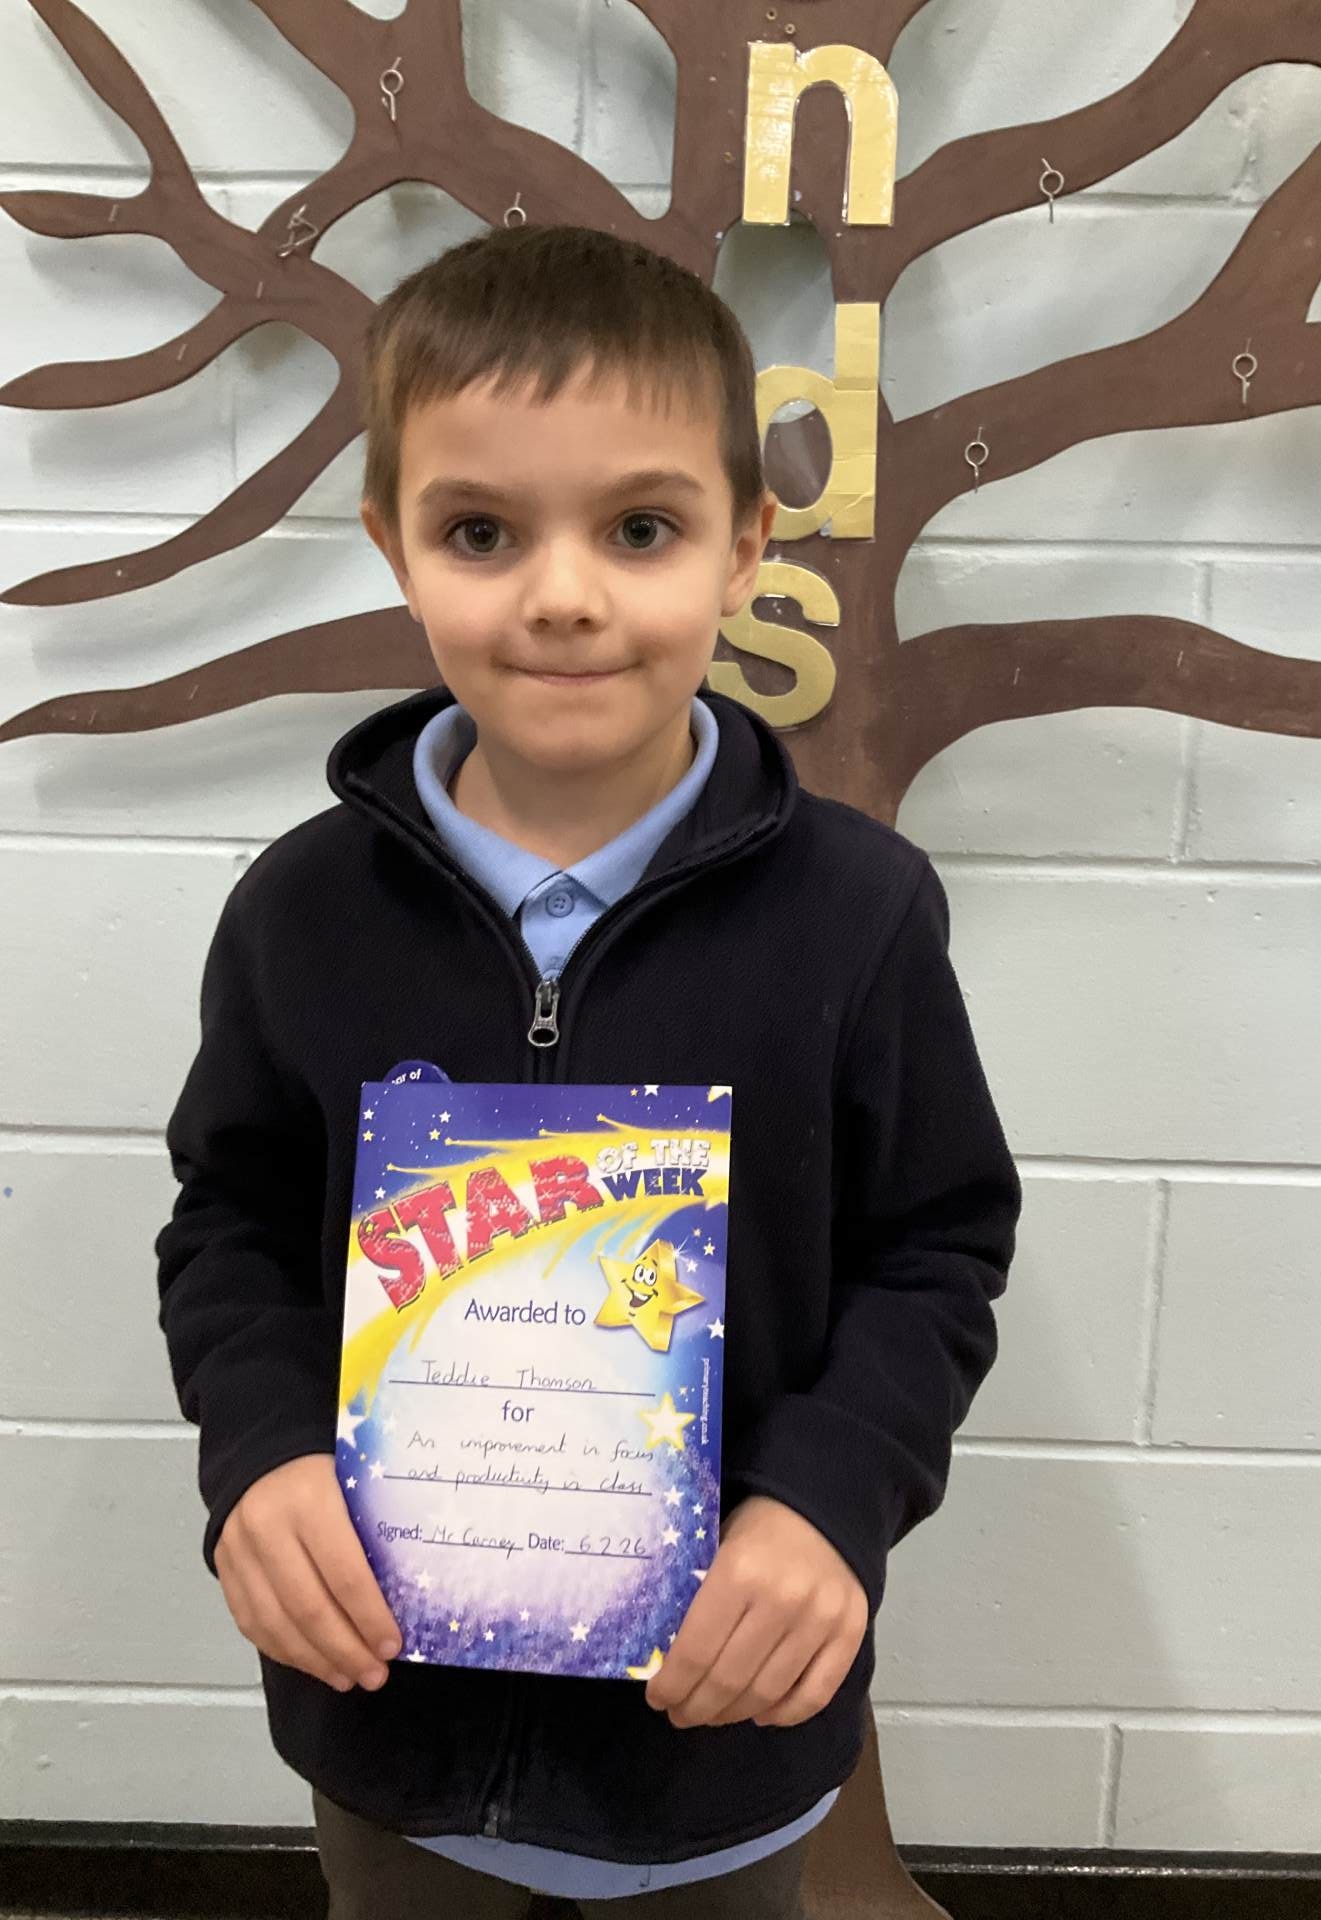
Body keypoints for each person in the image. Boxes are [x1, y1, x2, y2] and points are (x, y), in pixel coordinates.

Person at [155, 222, 1023, 1918]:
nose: (562, 594)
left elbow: (938, 1247)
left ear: (747, 544)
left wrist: (828, 1502)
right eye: (481, 531)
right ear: (394, 547)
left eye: (639, 528)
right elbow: (228, 1226)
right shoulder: (300, 912)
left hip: (719, 1748)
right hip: (394, 1738)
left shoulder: (857, 914)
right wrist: (257, 1454)